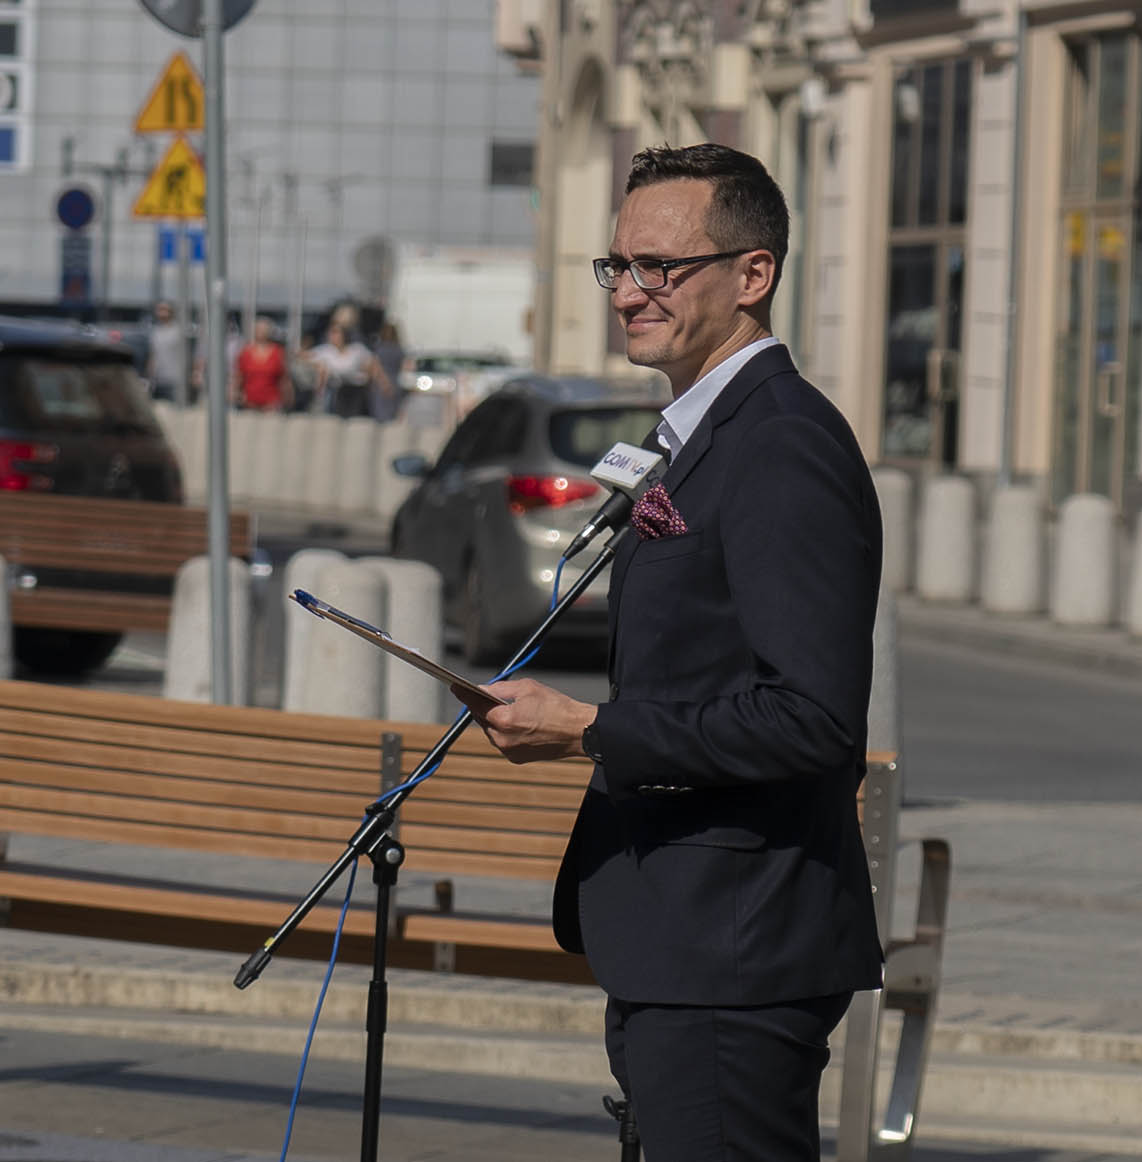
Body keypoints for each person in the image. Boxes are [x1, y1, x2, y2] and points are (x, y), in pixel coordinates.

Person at [458, 143, 884, 1161]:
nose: (628, 293)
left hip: (735, 944)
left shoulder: (780, 441)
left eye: (660, 266)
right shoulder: (699, 429)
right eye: (617, 265)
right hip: (681, 938)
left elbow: (812, 717)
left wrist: (591, 730)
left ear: (753, 274)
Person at [310, 322, 391, 418]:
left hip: (357, 390)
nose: (332, 336)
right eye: (330, 333)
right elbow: (307, 357)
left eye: (335, 333)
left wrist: (383, 383)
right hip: (339, 390)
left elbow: (373, 365)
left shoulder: (356, 350)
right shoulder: (326, 351)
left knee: (356, 418)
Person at [231, 318, 290, 411]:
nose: (261, 332)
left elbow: (284, 379)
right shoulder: (245, 353)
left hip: (272, 405)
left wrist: (286, 400)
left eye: (264, 330)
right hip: (249, 404)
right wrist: (236, 394)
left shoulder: (278, 353)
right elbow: (239, 377)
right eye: (259, 329)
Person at [145, 300, 186, 403]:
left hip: (174, 380)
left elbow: (185, 356)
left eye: (165, 310)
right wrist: (150, 375)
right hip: (158, 380)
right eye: (160, 310)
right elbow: (153, 355)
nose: (162, 313)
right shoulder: (156, 332)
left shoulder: (178, 331)